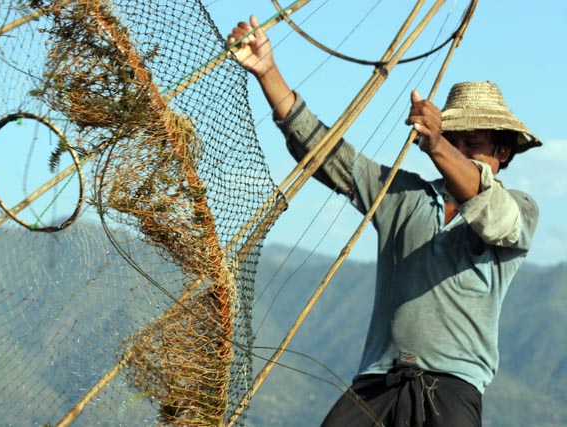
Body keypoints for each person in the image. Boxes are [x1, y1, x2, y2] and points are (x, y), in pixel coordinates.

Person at [227, 15, 542, 427]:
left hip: (451, 389)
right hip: (378, 381)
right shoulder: (404, 194)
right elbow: (327, 153)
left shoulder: (518, 209)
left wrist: (437, 144)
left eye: (473, 144)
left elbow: (489, 210)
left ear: (503, 152)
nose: (459, 151)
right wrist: (268, 73)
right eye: (453, 139)